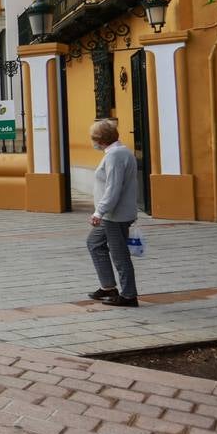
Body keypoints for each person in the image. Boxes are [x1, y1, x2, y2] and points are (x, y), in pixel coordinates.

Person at [86, 119, 140, 307]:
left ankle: (129, 295)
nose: (92, 143)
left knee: (119, 255)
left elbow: (113, 188)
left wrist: (99, 212)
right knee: (94, 243)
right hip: (113, 214)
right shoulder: (121, 152)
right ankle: (108, 287)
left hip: (114, 216)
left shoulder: (115, 156)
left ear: (100, 140)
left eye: (93, 139)